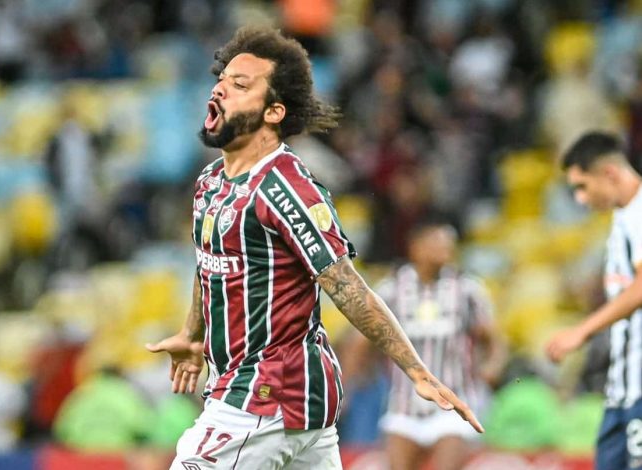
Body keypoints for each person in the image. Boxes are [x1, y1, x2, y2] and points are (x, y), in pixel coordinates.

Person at [146, 26, 483, 470]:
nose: (220, 90)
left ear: (273, 111)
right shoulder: (211, 183)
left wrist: (415, 370)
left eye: (241, 85)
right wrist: (193, 333)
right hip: (282, 399)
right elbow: (211, 264)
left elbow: (345, 285)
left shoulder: (286, 190)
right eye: (222, 81)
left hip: (267, 395)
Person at [345, 219, 506, 470]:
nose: (445, 250)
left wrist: (492, 366)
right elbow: (362, 340)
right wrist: (348, 383)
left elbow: (492, 338)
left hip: (453, 404)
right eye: (437, 243)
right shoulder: (392, 289)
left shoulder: (467, 289)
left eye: (449, 244)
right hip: (404, 406)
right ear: (416, 247)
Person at [546, 131, 642, 470]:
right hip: (623, 391)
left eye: (583, 186)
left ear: (610, 173)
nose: (581, 198)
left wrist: (582, 331)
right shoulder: (622, 218)